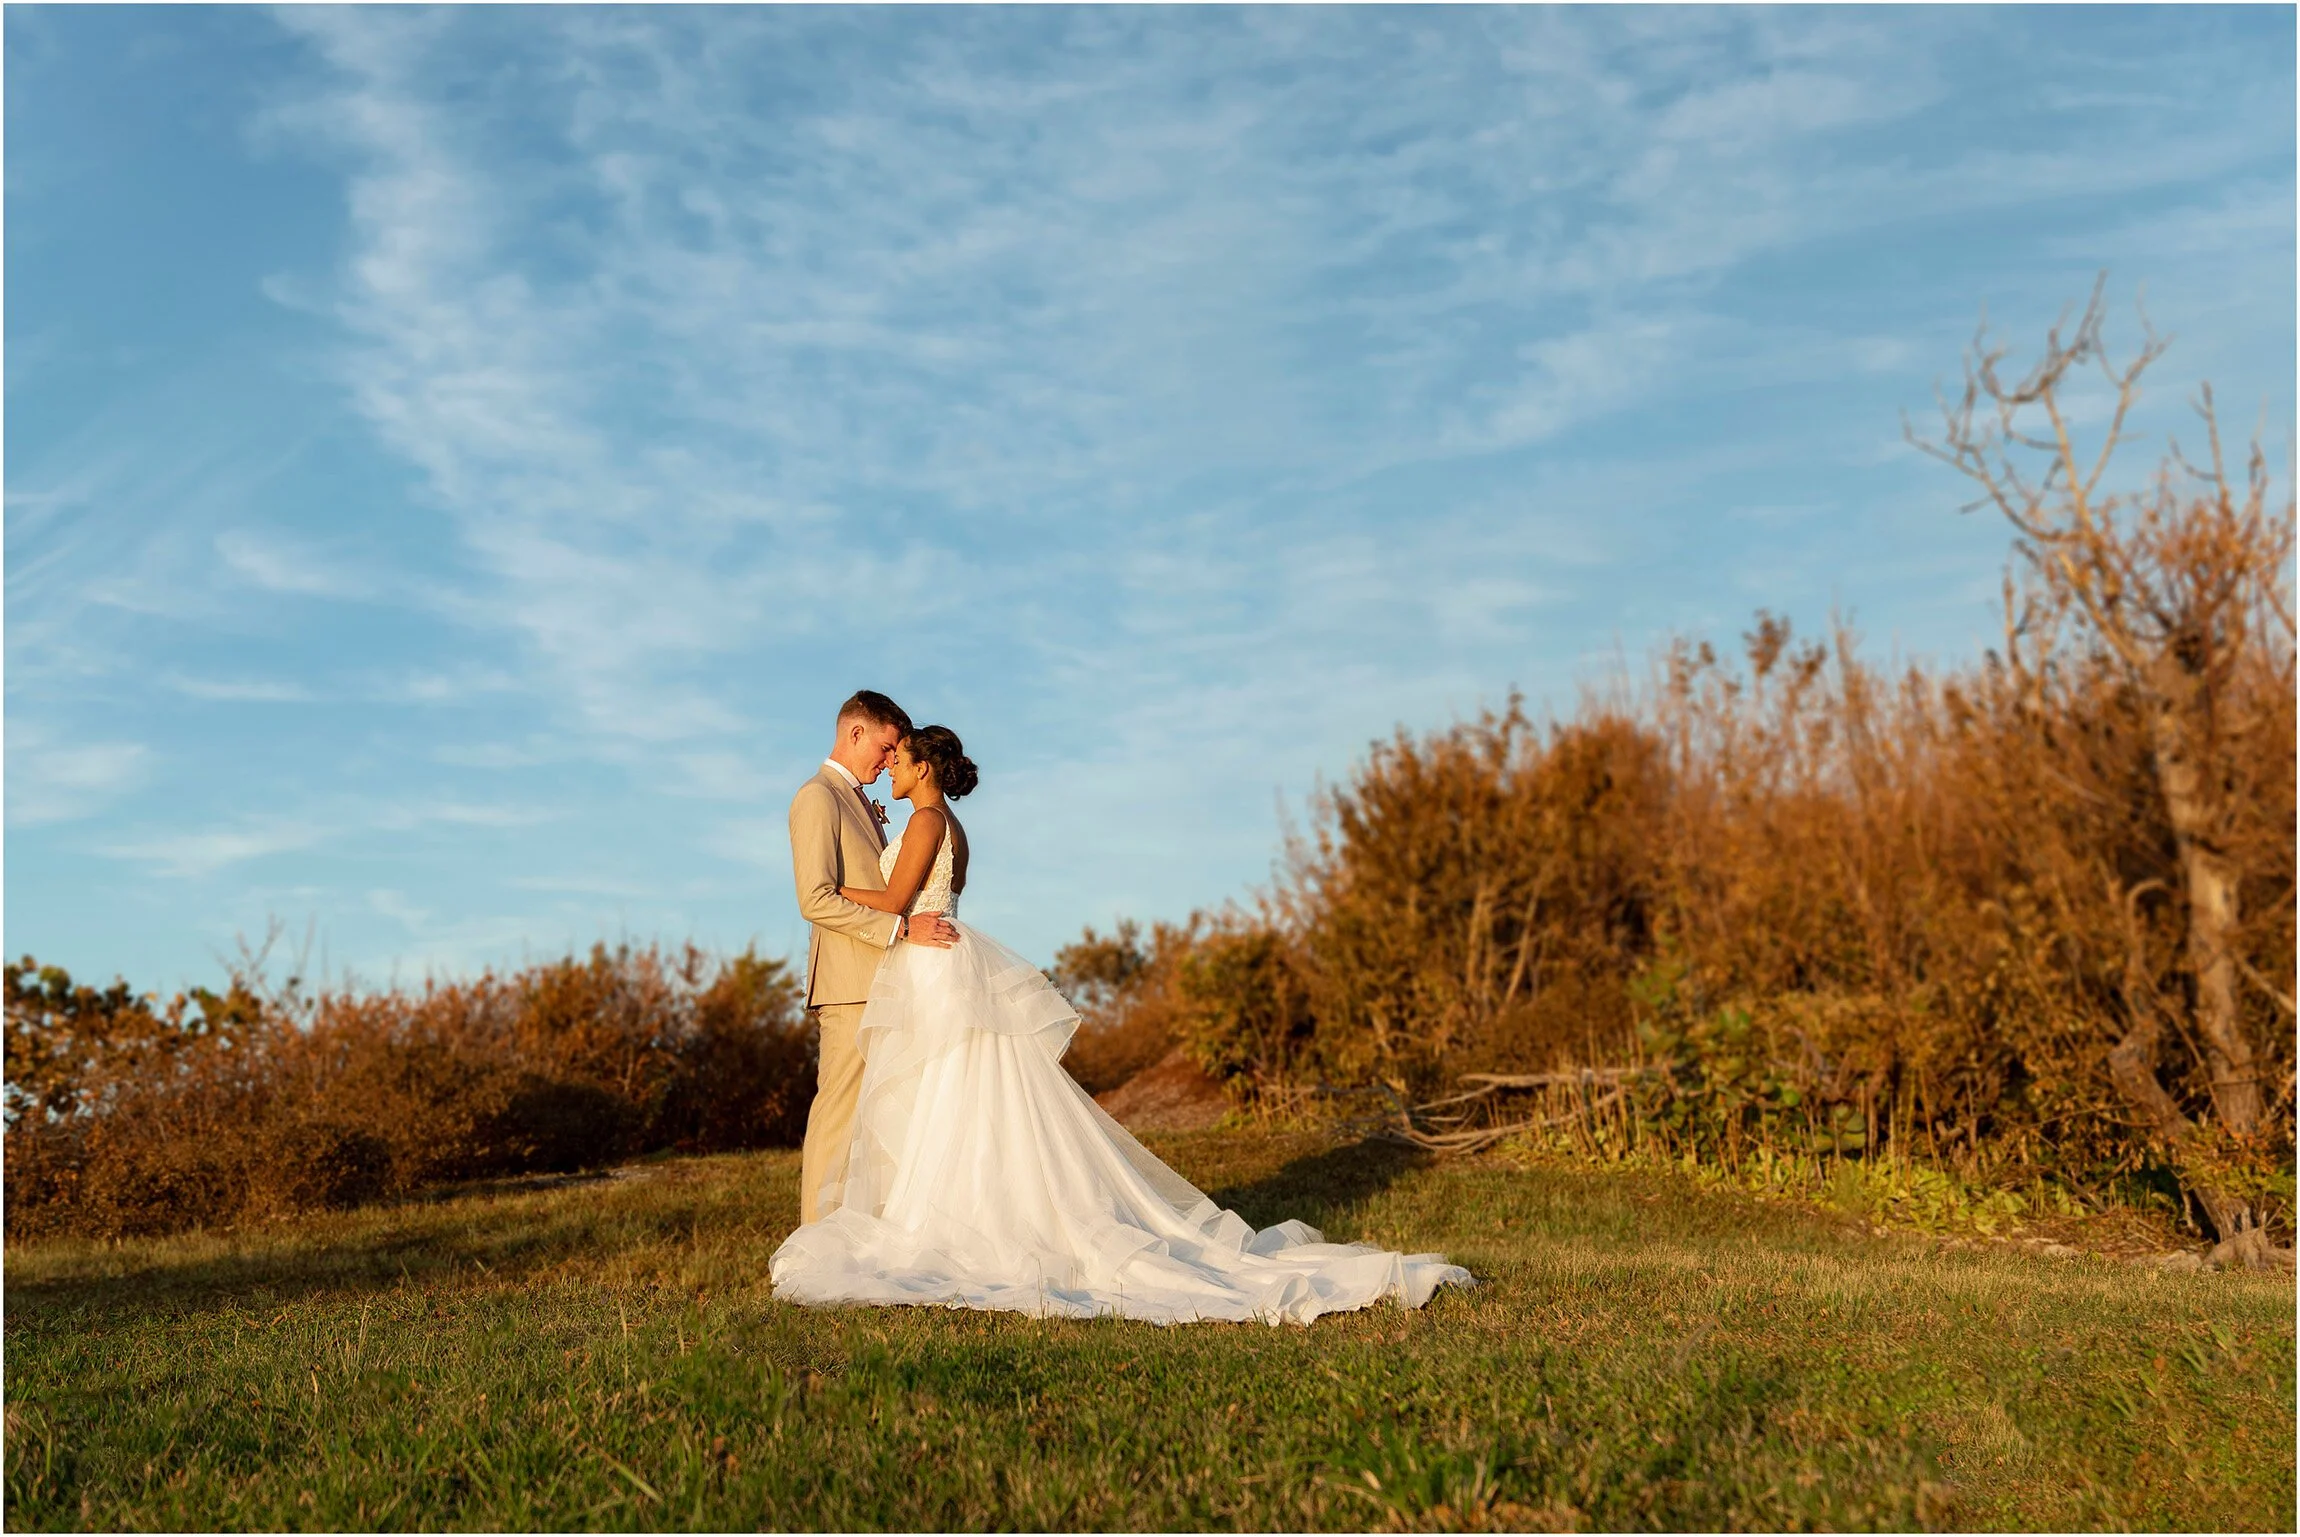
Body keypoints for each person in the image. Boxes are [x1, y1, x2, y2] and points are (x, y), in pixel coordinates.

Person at [772, 722, 1472, 1325]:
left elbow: (899, 898)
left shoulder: (927, 822)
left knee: (945, 1097)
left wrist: (827, 891)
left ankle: (949, 1225)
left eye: (899, 759)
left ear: (924, 767)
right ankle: (953, 1212)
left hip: (932, 964)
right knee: (954, 1101)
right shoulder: (947, 825)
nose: (890, 766)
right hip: (943, 960)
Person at [786, 691, 958, 1225]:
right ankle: (816, 1245)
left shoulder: (861, 801)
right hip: (850, 984)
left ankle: (864, 1238)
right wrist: (900, 928)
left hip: (887, 980)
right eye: (885, 748)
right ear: (855, 732)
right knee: (838, 1116)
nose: (889, 761)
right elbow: (815, 899)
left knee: (881, 1122)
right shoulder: (817, 797)